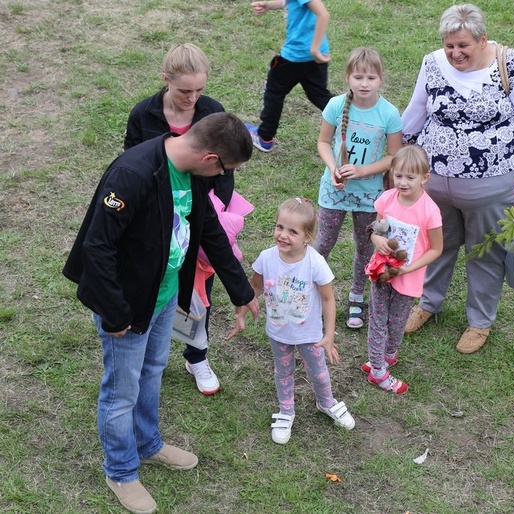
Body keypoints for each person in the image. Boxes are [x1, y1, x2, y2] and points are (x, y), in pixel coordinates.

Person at [62, 112, 259, 514]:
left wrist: (240, 290)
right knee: (121, 391)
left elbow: (209, 232)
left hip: (164, 295)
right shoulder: (133, 174)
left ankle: (148, 444)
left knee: (153, 370)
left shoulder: (191, 174)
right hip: (130, 305)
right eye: (225, 170)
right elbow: (98, 248)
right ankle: (120, 470)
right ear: (209, 159)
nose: (223, 179)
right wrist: (116, 315)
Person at [401, 4, 514, 354]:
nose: (455, 53)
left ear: (482, 40)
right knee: (435, 246)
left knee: (486, 254)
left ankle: (479, 322)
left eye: (463, 46)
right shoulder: (432, 63)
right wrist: (401, 160)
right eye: (449, 45)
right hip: (434, 182)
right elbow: (415, 114)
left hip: (493, 187)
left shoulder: (512, 65)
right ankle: (428, 303)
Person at [124, 42, 244, 395]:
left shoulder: (212, 112)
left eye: (200, 90)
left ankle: (197, 355)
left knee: (199, 290)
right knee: (153, 287)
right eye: (184, 91)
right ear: (165, 80)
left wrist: (213, 212)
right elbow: (134, 167)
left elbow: (224, 174)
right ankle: (149, 353)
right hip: (155, 222)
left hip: (201, 218)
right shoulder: (143, 115)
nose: (193, 98)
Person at [250, 198, 355, 445]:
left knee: (318, 372)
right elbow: (254, 286)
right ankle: (286, 410)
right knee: (283, 371)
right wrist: (243, 307)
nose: (283, 235)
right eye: (280, 227)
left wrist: (328, 336)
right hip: (278, 331)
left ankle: (326, 402)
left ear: (308, 236)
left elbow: (328, 299)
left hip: (310, 336)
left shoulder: (315, 262)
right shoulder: (266, 258)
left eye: (292, 231)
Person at [313, 47, 403, 329]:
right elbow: (323, 143)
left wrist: (363, 170)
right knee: (323, 244)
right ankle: (313, 295)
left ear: (381, 79)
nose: (365, 83)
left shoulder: (389, 113)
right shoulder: (336, 106)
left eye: (371, 78)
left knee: (365, 247)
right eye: (359, 77)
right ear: (348, 77)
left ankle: (356, 297)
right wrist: (332, 168)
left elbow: (393, 157)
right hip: (334, 190)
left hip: (369, 196)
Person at [361, 146, 443, 394]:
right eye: (398, 176)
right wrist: (376, 240)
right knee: (378, 319)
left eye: (410, 177)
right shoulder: (387, 199)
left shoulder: (430, 211)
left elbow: (436, 249)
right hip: (381, 272)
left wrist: (408, 269)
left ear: (424, 178)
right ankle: (378, 371)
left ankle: (388, 355)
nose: (403, 182)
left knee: (396, 323)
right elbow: (376, 228)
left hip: (407, 278)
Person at [246, 0, 334, 152]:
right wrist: (269, 5)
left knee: (274, 92)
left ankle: (264, 137)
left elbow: (323, 14)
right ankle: (353, 122)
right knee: (319, 95)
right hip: (317, 55)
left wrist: (314, 49)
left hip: (297, 55)